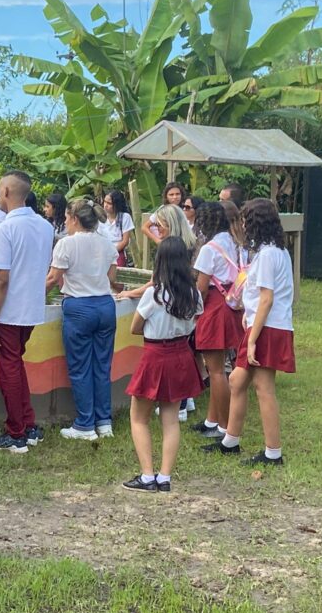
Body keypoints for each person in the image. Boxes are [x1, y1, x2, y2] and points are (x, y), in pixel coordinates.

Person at [202, 199, 295, 465]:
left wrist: (252, 340)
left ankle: (273, 453)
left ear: (254, 223)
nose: (241, 225)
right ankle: (230, 441)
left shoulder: (267, 255)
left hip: (267, 329)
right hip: (262, 326)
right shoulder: (278, 251)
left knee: (263, 388)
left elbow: (267, 298)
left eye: (244, 220)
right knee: (237, 381)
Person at [123, 237, 204, 493]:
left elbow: (135, 327)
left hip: (155, 354)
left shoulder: (154, 293)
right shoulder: (193, 294)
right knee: (170, 419)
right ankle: (165, 476)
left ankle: (147, 476)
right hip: (181, 354)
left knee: (139, 417)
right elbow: (194, 324)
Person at [0, 171, 54, 453]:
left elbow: (1, 278)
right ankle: (28, 424)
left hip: (10, 311)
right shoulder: (45, 226)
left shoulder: (6, 228)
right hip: (33, 308)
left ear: (9, 193)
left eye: (0, 190)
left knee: (9, 370)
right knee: (16, 365)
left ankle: (16, 434)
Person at [45, 199, 120, 441]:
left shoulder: (66, 244)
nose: (65, 222)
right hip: (106, 308)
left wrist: (32, 300)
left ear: (75, 219)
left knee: (80, 368)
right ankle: (104, 422)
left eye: (66, 218)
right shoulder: (107, 243)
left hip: (79, 308)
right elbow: (111, 277)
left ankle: (85, 425)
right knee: (102, 366)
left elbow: (52, 279)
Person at [190, 201, 246, 441]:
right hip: (231, 306)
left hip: (213, 306)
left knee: (215, 371)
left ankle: (223, 426)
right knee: (220, 366)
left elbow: (201, 287)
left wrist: (192, 312)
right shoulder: (234, 243)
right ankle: (211, 419)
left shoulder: (209, 248)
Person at [101, 190, 135, 267]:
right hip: (101, 251)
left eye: (109, 203)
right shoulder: (100, 217)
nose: (105, 205)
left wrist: (111, 252)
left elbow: (125, 241)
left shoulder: (125, 217)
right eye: (105, 202)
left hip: (118, 251)